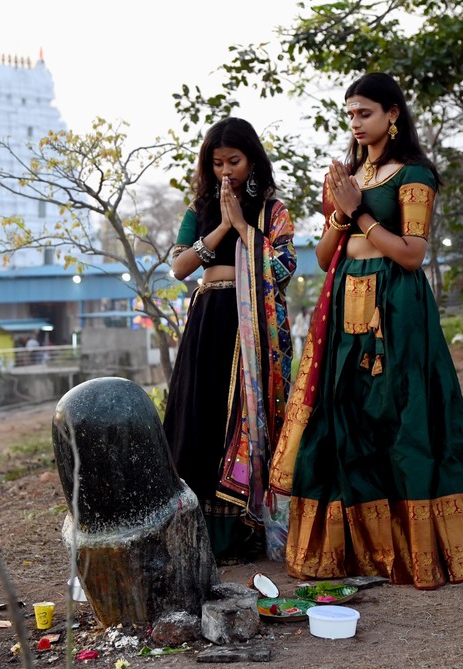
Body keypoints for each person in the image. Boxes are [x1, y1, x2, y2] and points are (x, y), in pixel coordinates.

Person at [268, 72, 463, 589]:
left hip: (397, 306)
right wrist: (342, 214)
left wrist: (360, 213)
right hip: (346, 303)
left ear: (392, 114)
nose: (356, 123)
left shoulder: (413, 174)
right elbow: (323, 258)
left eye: (364, 112)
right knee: (346, 418)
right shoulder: (347, 178)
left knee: (401, 417)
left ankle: (417, 553)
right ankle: (360, 550)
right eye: (350, 114)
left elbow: (412, 254)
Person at [163, 117, 297, 563]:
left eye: (234, 162)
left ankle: (242, 535)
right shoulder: (197, 209)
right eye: (218, 163)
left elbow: (282, 269)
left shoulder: (272, 211)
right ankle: (195, 536)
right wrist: (221, 226)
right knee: (199, 418)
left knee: (244, 417)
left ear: (253, 160)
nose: (226, 171)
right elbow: (180, 267)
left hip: (251, 327)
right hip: (208, 320)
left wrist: (243, 225)